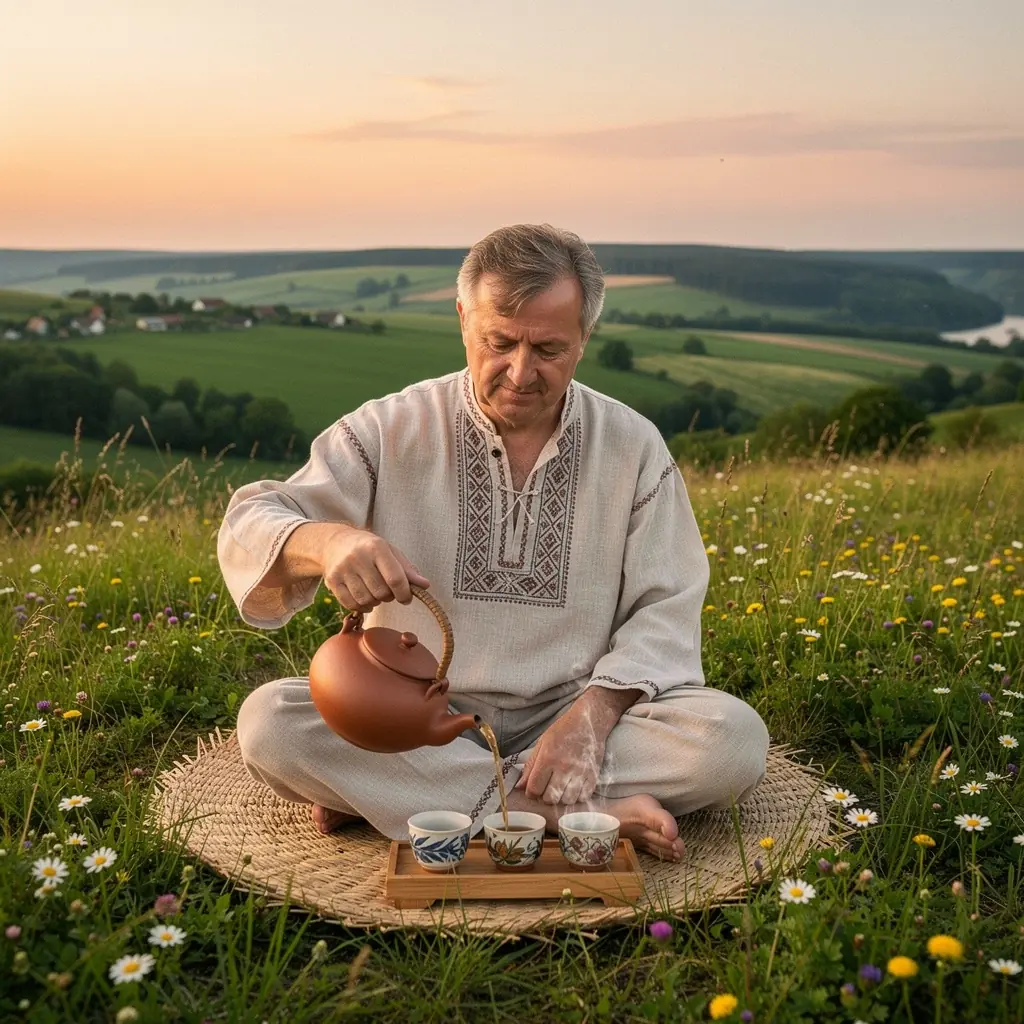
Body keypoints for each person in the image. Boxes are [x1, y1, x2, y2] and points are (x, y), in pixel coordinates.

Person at [218, 224, 769, 861]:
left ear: (584, 338)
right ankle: (557, 810)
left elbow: (667, 602)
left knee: (730, 741)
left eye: (549, 349)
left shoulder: (634, 446)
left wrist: (590, 719)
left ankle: (393, 796)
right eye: (499, 342)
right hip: (414, 723)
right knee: (270, 724)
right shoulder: (391, 427)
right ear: (462, 320)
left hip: (574, 713)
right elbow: (252, 518)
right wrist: (330, 541)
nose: (520, 372)